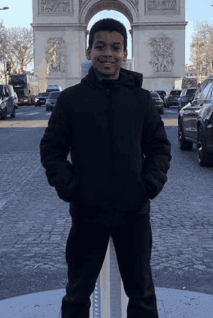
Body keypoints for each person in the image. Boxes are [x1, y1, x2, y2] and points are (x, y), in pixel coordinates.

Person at [40, 18, 171, 318]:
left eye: (116, 47)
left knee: (142, 296)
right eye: (100, 46)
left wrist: (148, 185)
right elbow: (51, 149)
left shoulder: (141, 99)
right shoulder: (70, 100)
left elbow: (160, 148)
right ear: (88, 51)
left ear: (125, 52)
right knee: (76, 296)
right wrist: (71, 188)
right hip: (87, 214)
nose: (108, 54)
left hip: (133, 214)